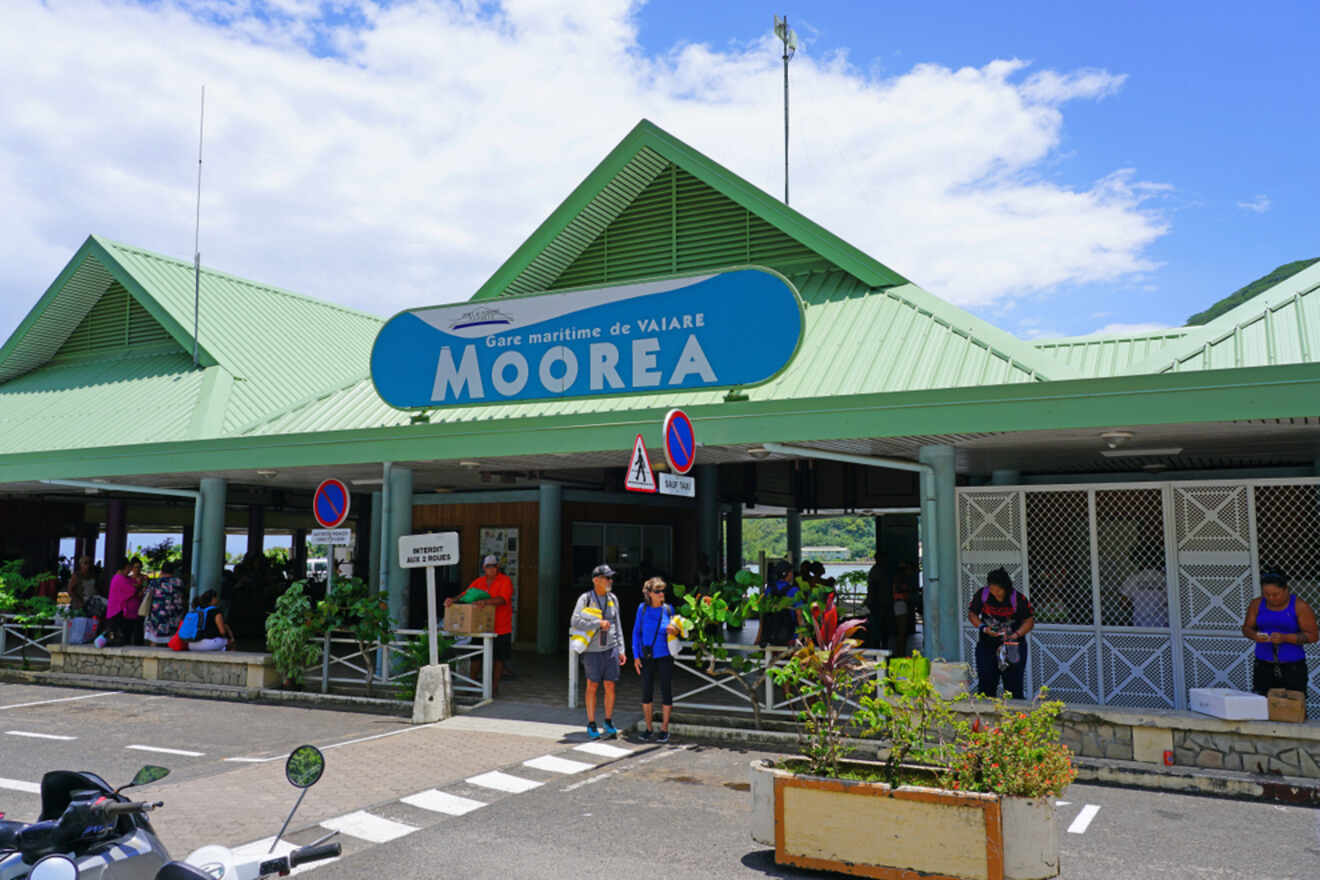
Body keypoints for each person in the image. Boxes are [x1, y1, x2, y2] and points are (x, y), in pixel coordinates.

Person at [1242, 569, 1317, 703]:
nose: (1271, 598)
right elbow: (1246, 628)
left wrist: (1285, 638)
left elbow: (1313, 636)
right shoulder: (1257, 604)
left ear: (1286, 589)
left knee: (1293, 707)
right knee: (1261, 705)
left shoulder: (1300, 606)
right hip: (1263, 665)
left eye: (1276, 594)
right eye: (1266, 594)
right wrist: (1255, 635)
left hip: (1292, 667)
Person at [571, 563, 626, 739]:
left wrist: (621, 649)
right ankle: (591, 723)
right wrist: (597, 623)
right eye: (607, 577)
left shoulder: (613, 599)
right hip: (592, 650)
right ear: (596, 580)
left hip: (611, 648)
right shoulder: (585, 598)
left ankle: (608, 721)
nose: (610, 580)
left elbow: (617, 624)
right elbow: (575, 621)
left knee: (610, 685)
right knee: (592, 685)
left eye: (611, 577)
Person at [446, 555, 514, 696]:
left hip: (501, 626)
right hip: (481, 627)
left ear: (497, 567)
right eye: (488, 566)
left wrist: (485, 602)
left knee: (499, 658)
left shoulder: (505, 580)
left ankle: (494, 687)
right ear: (484, 568)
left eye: (494, 566)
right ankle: (472, 684)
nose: (492, 569)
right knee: (476, 657)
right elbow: (465, 594)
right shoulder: (478, 581)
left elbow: (503, 599)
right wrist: (453, 600)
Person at [967, 567, 1035, 699]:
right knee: (986, 684)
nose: (995, 593)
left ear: (1006, 587)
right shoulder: (983, 594)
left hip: (1013, 646)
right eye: (992, 589)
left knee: (1013, 686)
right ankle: (986, 716)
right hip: (987, 646)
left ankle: (1015, 717)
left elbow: (1029, 621)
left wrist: (1015, 635)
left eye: (998, 590)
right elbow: (972, 614)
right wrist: (983, 628)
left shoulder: (1018, 599)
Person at [632, 577, 677, 743]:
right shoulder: (642, 609)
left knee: (666, 691)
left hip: (664, 656)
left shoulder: (668, 609)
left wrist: (675, 630)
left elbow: (678, 631)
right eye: (657, 591)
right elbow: (636, 633)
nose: (661, 594)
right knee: (646, 692)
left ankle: (664, 728)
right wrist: (636, 656)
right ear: (649, 593)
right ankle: (649, 728)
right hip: (646, 656)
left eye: (663, 590)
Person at [754, 561, 801, 648]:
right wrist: (804, 636)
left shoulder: (769, 590)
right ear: (788, 574)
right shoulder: (794, 591)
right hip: (789, 637)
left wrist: (758, 637)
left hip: (770, 636)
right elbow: (799, 615)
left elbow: (763, 615)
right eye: (791, 572)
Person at [1120, 546, 1168, 628]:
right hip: (1165, 626)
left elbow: (1124, 604)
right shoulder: (1166, 578)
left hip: (1141, 627)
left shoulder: (1133, 578)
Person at [143, 561, 187, 645]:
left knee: (154, 639)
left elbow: (147, 595)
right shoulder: (178, 582)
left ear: (162, 571)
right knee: (171, 640)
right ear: (173, 571)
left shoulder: (155, 582)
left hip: (157, 616)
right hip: (174, 616)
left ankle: (152, 654)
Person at [105, 558, 145, 646]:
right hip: (117, 613)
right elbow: (133, 590)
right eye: (130, 568)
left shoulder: (126, 578)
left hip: (129, 614)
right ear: (126, 567)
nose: (131, 570)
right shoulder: (119, 578)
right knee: (121, 639)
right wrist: (140, 585)